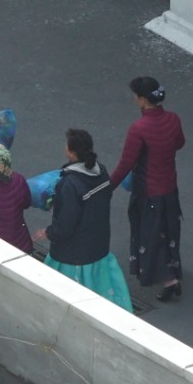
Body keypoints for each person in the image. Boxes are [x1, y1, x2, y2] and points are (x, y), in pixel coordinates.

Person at [33, 129, 133, 313]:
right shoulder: (101, 172)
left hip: (74, 255)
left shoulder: (70, 184)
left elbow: (65, 225)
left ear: (71, 152)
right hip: (98, 246)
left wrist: (48, 232)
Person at [107, 76, 186, 302]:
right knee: (169, 231)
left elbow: (126, 163)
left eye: (135, 96)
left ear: (142, 100)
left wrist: (109, 186)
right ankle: (174, 269)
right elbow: (180, 143)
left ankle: (169, 281)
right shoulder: (173, 119)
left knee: (151, 235)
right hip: (170, 186)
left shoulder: (139, 129)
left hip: (148, 190)